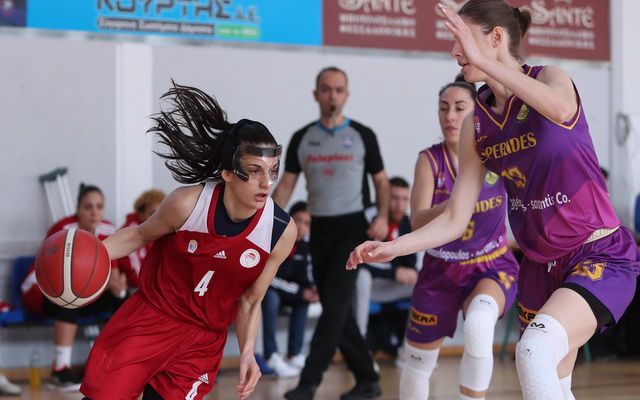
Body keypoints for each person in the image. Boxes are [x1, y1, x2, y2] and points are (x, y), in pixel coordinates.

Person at [347, 2, 640, 399]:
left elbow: (560, 109)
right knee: (554, 383)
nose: (454, 50)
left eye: (462, 38)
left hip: (597, 252)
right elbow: (455, 217)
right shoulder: (476, 123)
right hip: (538, 266)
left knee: (533, 352)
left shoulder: (551, 77)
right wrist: (393, 248)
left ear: (496, 37)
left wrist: (485, 60)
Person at [79, 82, 296, 400]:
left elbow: (251, 300)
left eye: (272, 171)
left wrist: (248, 352)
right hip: (150, 320)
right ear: (228, 173)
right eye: (254, 170)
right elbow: (139, 235)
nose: (267, 182)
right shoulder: (187, 204)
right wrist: (87, 259)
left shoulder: (280, 231)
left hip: (201, 344)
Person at [274, 66, 388, 400]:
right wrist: (265, 223)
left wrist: (382, 216)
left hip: (352, 229)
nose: (332, 95)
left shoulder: (363, 135)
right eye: (326, 89)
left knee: (334, 308)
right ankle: (367, 378)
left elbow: (381, 181)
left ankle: (308, 383)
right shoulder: (302, 138)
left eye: (338, 89)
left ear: (346, 95)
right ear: (316, 94)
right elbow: (286, 185)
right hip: (319, 230)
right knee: (338, 310)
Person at [401, 77, 519, 400]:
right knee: (417, 364)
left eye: (459, 108)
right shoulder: (430, 160)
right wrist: (455, 204)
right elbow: (417, 220)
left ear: (476, 113)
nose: (450, 116)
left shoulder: (496, 152)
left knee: (479, 326)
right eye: (443, 108)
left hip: (490, 265)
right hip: (440, 269)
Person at [21, 183, 129, 392]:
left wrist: (119, 288)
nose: (94, 212)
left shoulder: (108, 230)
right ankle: (60, 370)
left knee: (123, 300)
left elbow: (113, 275)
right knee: (67, 296)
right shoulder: (63, 229)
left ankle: (117, 367)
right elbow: (57, 275)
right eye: (88, 207)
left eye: (99, 206)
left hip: (83, 293)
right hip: (40, 289)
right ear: (78, 209)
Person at [354, 176, 417, 349]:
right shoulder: (370, 217)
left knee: (422, 283)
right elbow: (358, 260)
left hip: (388, 286)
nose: (399, 205)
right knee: (363, 277)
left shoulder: (407, 222)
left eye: (404, 199)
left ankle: (409, 349)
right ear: (385, 198)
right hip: (364, 287)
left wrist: (406, 273)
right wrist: (394, 272)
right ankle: (360, 347)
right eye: (394, 198)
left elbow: (410, 265)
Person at [261, 201, 318, 378]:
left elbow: (307, 277)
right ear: (289, 220)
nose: (301, 227)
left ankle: (295, 354)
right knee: (271, 298)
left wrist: (313, 289)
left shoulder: (307, 246)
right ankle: (271, 356)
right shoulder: (274, 239)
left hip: (289, 292)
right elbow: (268, 278)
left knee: (304, 300)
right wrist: (301, 292)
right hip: (268, 290)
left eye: (307, 223)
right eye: (298, 220)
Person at [117, 188, 166, 288]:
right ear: (140, 214)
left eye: (160, 213)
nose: (157, 218)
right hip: (136, 288)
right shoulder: (131, 231)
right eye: (152, 214)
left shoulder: (159, 230)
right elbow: (136, 276)